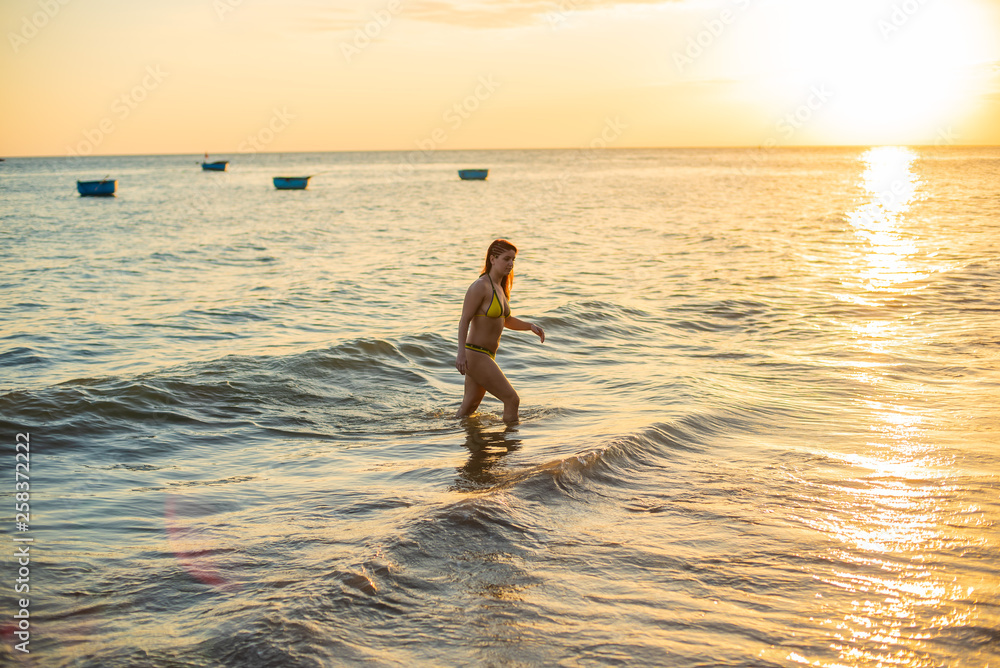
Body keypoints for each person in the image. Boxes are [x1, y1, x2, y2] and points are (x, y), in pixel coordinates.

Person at [455, 239, 545, 423]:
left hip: (486, 355)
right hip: (476, 354)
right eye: (506, 259)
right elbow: (464, 319)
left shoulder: (500, 288)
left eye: (513, 260)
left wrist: (530, 326)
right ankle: (511, 447)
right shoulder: (481, 286)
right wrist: (461, 354)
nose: (511, 264)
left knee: (468, 410)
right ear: (493, 259)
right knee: (512, 399)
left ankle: (460, 444)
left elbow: (505, 320)